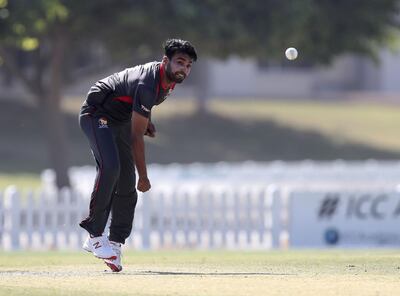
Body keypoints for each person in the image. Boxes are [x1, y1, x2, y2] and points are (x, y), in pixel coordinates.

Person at [78, 39, 197, 272]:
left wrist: (147, 120)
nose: (184, 69)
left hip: (120, 119)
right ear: (166, 61)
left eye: (188, 65)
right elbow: (136, 137)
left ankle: (115, 243)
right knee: (111, 167)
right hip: (97, 113)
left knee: (126, 183)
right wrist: (144, 176)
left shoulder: (169, 80)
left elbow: (139, 103)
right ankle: (94, 235)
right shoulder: (148, 83)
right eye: (179, 62)